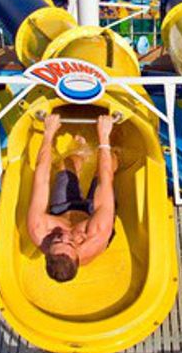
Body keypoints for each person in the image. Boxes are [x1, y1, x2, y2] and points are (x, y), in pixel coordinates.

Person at [26, 113, 118, 283]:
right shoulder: (98, 233)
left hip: (64, 209)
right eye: (70, 243)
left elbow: (41, 179)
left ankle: (82, 151)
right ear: (77, 254)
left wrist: (48, 134)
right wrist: (104, 137)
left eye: (57, 240)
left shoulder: (38, 229)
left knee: (67, 163)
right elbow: (105, 181)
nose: (65, 235)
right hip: (92, 214)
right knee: (108, 165)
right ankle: (113, 142)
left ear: (47, 252)